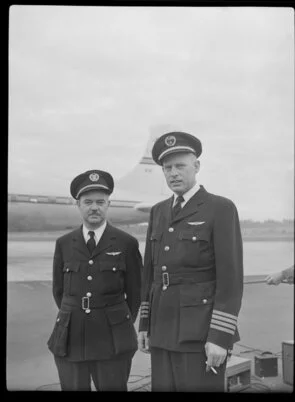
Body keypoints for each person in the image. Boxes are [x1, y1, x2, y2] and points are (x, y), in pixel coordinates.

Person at [138, 132, 244, 392]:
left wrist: (220, 337)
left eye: (180, 166)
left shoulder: (220, 208)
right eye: (167, 168)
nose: (173, 173)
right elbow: (150, 272)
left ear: (196, 167)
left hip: (199, 331)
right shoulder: (158, 211)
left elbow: (230, 279)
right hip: (161, 328)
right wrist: (144, 324)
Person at [47, 170, 142, 391]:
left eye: (101, 202)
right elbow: (58, 291)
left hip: (112, 339)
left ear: (108, 204)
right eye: (88, 202)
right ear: (78, 205)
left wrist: (119, 322)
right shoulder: (64, 243)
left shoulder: (126, 243)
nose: (94, 207)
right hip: (71, 338)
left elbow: (136, 292)